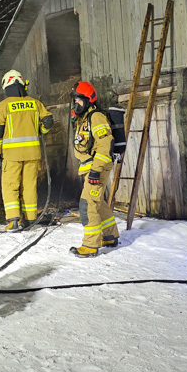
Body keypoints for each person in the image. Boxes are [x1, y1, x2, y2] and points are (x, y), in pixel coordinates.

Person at [0, 70, 53, 232]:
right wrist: (40, 131)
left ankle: (14, 220)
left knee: (10, 185)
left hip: (12, 155)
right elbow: (48, 122)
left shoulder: (3, 106)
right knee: (29, 185)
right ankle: (31, 218)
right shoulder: (35, 103)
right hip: (33, 154)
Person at [68, 81, 119, 258]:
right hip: (91, 168)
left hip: (97, 168)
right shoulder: (84, 119)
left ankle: (90, 245)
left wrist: (96, 171)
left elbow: (106, 144)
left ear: (89, 99)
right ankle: (110, 235)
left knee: (87, 205)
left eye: (79, 100)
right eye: (74, 100)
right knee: (99, 203)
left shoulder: (96, 117)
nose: (76, 104)